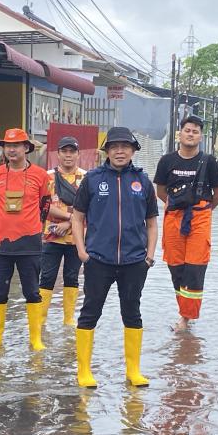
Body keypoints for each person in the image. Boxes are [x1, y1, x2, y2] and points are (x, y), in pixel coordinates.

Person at [71, 126, 159, 388]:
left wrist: (150, 256)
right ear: (107, 151)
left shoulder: (143, 182)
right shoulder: (93, 179)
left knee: (132, 313)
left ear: (133, 150)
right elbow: (77, 217)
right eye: (114, 146)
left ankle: (133, 371)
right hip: (98, 259)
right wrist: (81, 251)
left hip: (135, 261)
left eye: (125, 146)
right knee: (90, 312)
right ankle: (84, 371)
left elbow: (152, 222)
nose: (119, 151)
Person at [154, 114, 218, 332]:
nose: (191, 134)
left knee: (195, 269)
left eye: (195, 131)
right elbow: (160, 191)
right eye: (187, 130)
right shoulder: (167, 161)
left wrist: (202, 211)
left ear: (200, 136)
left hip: (200, 219)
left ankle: (185, 318)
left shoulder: (210, 162)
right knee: (177, 268)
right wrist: (177, 207)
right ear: (179, 134)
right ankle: (185, 310)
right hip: (173, 219)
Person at [0, 128, 52, 351]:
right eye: (8, 146)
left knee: (32, 291)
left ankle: (36, 339)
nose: (11, 150)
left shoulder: (40, 175)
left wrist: (32, 226)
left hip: (30, 243)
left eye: (17, 145)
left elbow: (45, 205)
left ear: (26, 148)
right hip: (0, 243)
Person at [38, 135, 86, 327]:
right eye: (64, 151)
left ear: (78, 154)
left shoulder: (86, 178)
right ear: (57, 154)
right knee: (47, 276)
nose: (68, 155)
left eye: (72, 151)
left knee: (72, 276)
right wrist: (70, 219)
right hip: (51, 236)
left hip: (77, 237)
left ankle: (68, 319)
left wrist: (69, 224)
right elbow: (43, 205)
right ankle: (40, 319)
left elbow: (90, 207)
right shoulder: (47, 177)